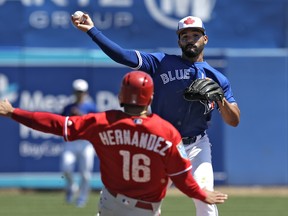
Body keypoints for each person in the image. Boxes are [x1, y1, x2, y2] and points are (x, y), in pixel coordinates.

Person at [72, 14, 240, 216]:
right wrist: (93, 31)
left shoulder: (217, 78)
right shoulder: (161, 62)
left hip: (197, 146)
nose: (190, 39)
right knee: (143, 201)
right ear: (179, 41)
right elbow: (123, 55)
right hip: (163, 144)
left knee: (206, 202)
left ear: (205, 39)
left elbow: (234, 120)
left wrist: (220, 99)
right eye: (184, 36)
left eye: (195, 35)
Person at [0, 71, 228, 216]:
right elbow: (182, 177)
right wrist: (200, 194)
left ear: (120, 96)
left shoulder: (102, 123)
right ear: (150, 99)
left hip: (110, 205)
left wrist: (14, 112)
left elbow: (56, 124)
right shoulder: (167, 132)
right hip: (146, 211)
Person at [61, 79, 98, 207]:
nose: (79, 94)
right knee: (66, 168)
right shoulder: (68, 107)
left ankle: (83, 197)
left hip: (86, 143)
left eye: (81, 92)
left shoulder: (91, 107)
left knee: (86, 173)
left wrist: (81, 115)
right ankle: (72, 187)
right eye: (77, 91)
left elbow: (96, 124)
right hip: (71, 142)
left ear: (86, 92)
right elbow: (61, 123)